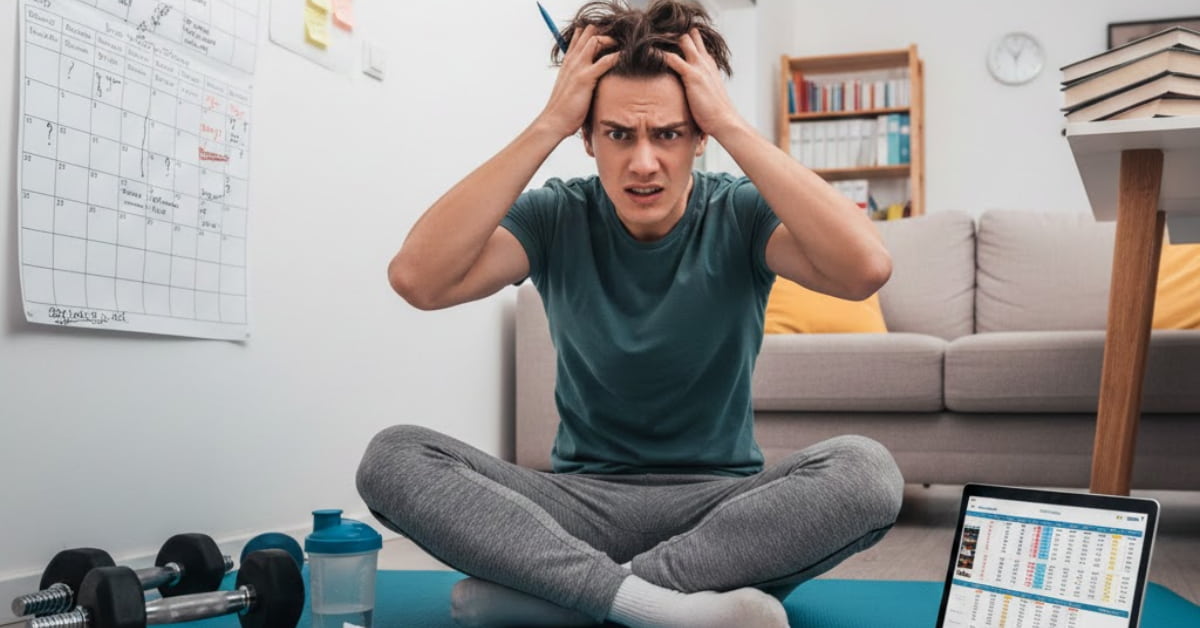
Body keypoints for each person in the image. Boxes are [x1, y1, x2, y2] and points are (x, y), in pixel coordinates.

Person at [357, 2, 904, 627]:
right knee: (393, 456)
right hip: (577, 505)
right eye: (619, 134)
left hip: (719, 512)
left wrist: (730, 120)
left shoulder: (742, 213)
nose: (644, 162)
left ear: (699, 137)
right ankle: (663, 610)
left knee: (867, 473)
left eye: (668, 134)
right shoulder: (555, 215)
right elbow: (417, 280)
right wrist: (546, 124)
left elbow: (866, 268)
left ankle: (577, 602)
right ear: (587, 137)